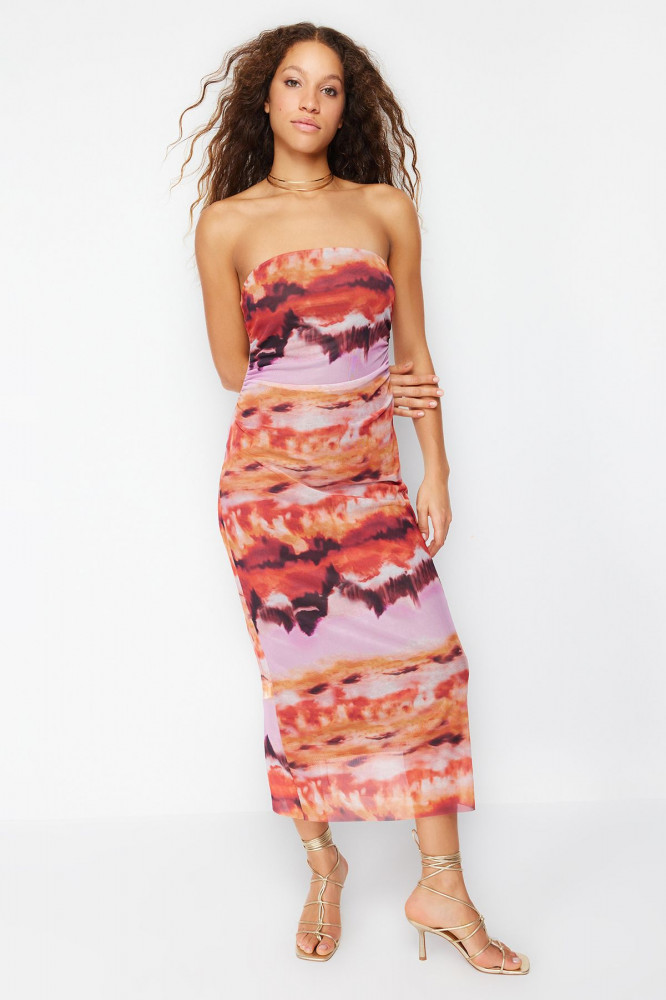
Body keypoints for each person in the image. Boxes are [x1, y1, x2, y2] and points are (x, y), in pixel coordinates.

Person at [174, 21, 529, 975]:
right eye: (294, 82)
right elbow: (233, 369)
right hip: (270, 491)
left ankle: (441, 885)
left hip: (371, 481)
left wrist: (435, 468)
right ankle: (323, 862)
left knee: (432, 666)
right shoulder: (226, 224)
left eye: (329, 88)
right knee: (303, 684)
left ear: (346, 108)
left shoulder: (385, 210)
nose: (310, 101)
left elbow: (414, 354)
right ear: (265, 97)